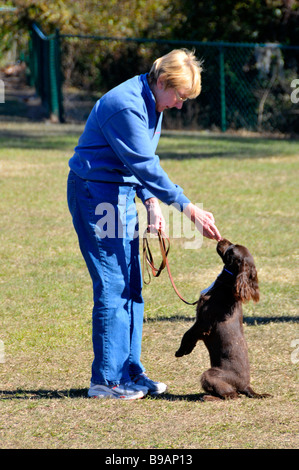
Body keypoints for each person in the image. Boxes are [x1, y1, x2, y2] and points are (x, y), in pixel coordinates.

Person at [67, 49, 221, 400]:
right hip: (96, 193)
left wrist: (151, 202)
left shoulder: (154, 102)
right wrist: (188, 209)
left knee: (132, 285)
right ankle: (106, 380)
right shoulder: (125, 105)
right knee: (112, 284)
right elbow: (145, 165)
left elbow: (139, 160)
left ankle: (130, 372)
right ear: (162, 81)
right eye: (179, 96)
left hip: (120, 193)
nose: (180, 105)